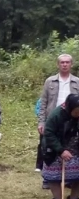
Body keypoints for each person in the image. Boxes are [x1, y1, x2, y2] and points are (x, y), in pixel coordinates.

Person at [38, 54, 79, 189]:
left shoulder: (77, 81)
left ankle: (68, 178)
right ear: (58, 64)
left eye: (67, 62)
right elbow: (43, 102)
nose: (65, 64)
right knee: (47, 147)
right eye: (62, 62)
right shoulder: (50, 81)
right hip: (52, 118)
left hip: (71, 119)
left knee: (67, 147)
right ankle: (47, 177)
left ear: (71, 64)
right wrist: (41, 121)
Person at [42, 94, 79, 199]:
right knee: (53, 174)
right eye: (77, 112)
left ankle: (74, 198)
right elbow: (48, 133)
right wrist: (61, 150)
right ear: (70, 108)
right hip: (54, 147)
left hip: (74, 146)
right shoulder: (56, 115)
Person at [35, 98, 43, 172]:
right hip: (45, 123)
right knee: (42, 144)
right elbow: (38, 110)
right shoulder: (42, 99)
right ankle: (39, 165)